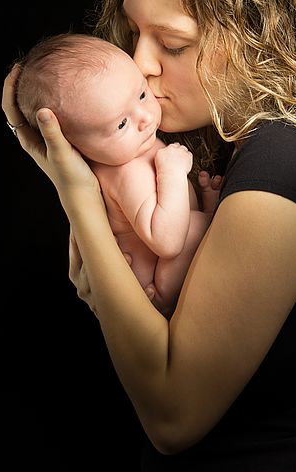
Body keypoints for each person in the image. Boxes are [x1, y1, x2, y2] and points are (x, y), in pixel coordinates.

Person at [3, 0, 296, 471]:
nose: (139, 63)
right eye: (133, 32)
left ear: (260, 36)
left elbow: (173, 417)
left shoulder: (290, 163)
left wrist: (77, 192)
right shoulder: (221, 135)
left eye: (171, 44)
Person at [15, 32, 220, 319]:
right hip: (153, 285)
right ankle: (168, 290)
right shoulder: (126, 173)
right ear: (76, 146)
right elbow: (168, 241)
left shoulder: (130, 149)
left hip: (163, 266)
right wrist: (172, 171)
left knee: (196, 221)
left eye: (141, 94)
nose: (145, 117)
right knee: (197, 226)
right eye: (122, 123)